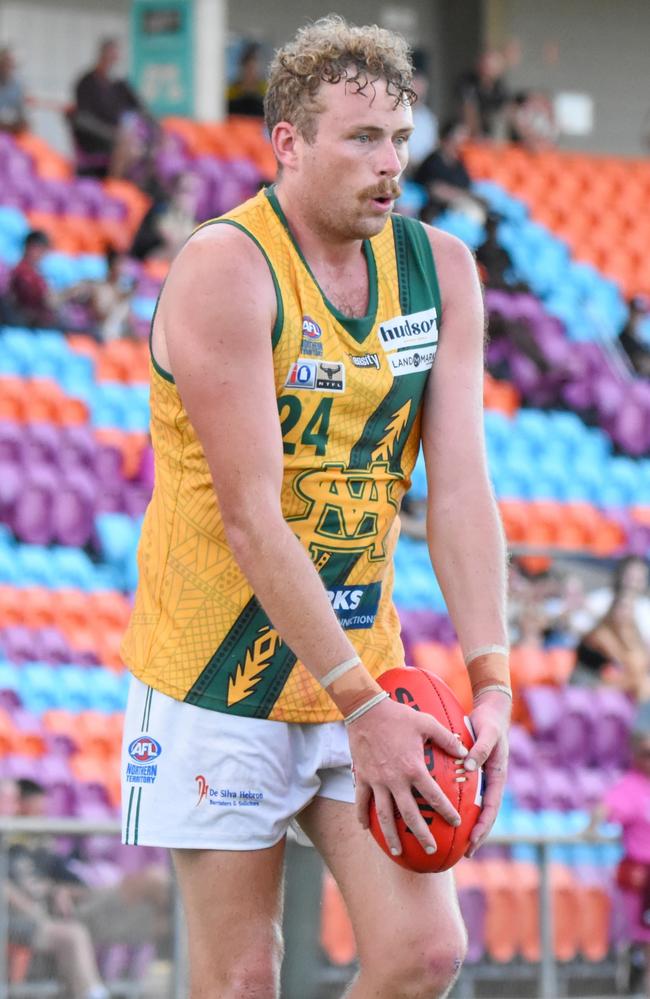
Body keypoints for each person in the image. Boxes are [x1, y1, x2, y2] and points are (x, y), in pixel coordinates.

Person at [120, 15, 510, 999]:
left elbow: (458, 489)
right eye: (359, 138)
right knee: (240, 981)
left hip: (361, 675)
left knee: (424, 954)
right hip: (216, 681)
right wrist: (363, 707)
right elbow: (254, 514)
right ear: (286, 142)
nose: (389, 164)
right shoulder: (225, 269)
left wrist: (492, 683)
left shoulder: (441, 272)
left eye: (399, 139)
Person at [0, 778, 110, 999]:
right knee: (72, 935)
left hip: (37, 918)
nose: (13, 805)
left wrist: (60, 890)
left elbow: (69, 879)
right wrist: (34, 912)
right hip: (13, 920)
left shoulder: (29, 841)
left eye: (14, 799)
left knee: (84, 924)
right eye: (6, 799)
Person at [585, 704, 650, 997]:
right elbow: (607, 808)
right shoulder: (630, 785)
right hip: (641, 876)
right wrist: (592, 826)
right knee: (642, 937)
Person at [71, 38, 151, 179]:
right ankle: (115, 185)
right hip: (95, 137)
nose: (113, 62)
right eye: (110, 57)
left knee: (142, 144)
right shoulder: (86, 82)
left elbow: (139, 106)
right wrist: (112, 133)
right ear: (102, 56)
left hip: (119, 133)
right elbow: (83, 118)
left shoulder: (119, 83)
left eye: (115, 58)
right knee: (125, 144)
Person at [572, 586, 650, 701]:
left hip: (631, 690)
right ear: (613, 608)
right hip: (603, 687)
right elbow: (622, 661)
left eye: (629, 608)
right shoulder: (601, 633)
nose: (625, 612)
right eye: (622, 607)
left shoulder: (636, 637)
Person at [414, 119, 487, 224]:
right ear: (447, 138)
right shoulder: (434, 160)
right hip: (435, 212)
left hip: (457, 208)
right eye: (460, 136)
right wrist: (465, 197)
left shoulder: (459, 164)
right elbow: (436, 190)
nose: (463, 141)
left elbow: (467, 186)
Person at [456, 49, 510, 139]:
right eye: (485, 65)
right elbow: (468, 109)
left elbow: (506, 109)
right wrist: (477, 135)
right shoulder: (467, 82)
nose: (487, 70)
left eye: (492, 67)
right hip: (465, 132)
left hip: (490, 134)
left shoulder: (499, 87)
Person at [88, 249, 135, 341]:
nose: (123, 269)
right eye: (120, 265)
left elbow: (128, 320)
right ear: (111, 266)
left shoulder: (125, 290)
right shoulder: (100, 288)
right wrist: (118, 298)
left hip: (121, 337)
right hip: (102, 336)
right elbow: (100, 314)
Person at [227, 41, 267, 118]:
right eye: (248, 68)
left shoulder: (265, 92)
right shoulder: (231, 93)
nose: (251, 73)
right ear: (242, 69)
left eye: (254, 69)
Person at [618, 296, 650, 378]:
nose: (637, 318)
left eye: (641, 315)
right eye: (635, 313)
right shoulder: (620, 339)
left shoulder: (643, 341)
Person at [0, 46, 27, 133]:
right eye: (3, 63)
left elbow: (21, 114)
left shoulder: (17, 85)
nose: (6, 67)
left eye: (8, 64)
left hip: (12, 130)